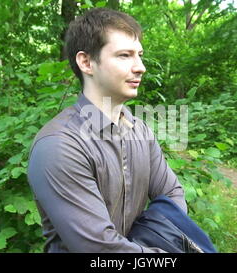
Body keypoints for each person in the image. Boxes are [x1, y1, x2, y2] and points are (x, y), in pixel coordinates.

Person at [27, 7, 187, 253]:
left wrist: (156, 238)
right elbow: (99, 249)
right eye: (124, 55)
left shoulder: (139, 130)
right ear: (86, 62)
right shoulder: (59, 144)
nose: (140, 66)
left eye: (139, 55)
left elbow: (171, 193)